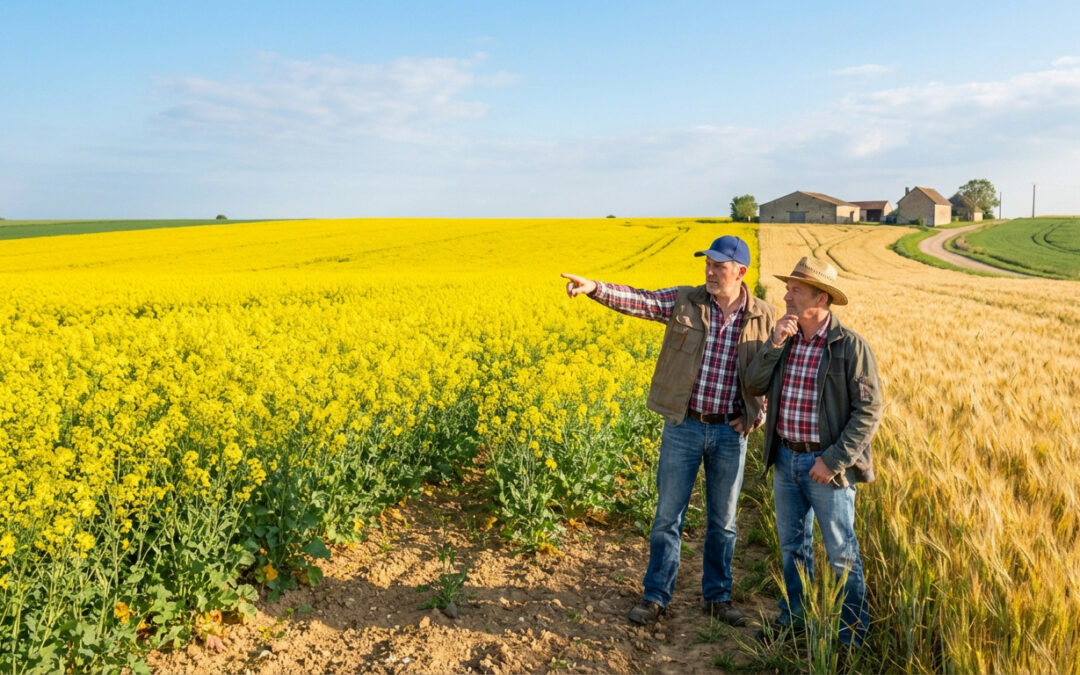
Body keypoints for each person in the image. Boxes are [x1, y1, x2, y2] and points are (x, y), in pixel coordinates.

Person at [562, 235, 775, 627]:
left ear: (741, 272)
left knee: (724, 522)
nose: (709, 272)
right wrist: (594, 288)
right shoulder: (685, 301)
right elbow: (640, 301)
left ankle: (718, 597)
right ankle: (656, 596)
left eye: (718, 267)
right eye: (707, 265)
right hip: (684, 425)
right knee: (666, 518)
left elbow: (773, 374)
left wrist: (756, 416)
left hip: (730, 433)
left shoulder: (764, 315)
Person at [744, 256, 883, 646]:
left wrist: (833, 460)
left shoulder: (849, 346)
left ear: (821, 298)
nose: (786, 295)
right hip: (785, 458)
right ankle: (795, 619)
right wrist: (773, 343)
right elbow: (754, 385)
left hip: (826, 467)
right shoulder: (784, 341)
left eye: (795, 289)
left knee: (841, 553)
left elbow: (869, 411)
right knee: (792, 549)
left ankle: (851, 637)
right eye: (788, 288)